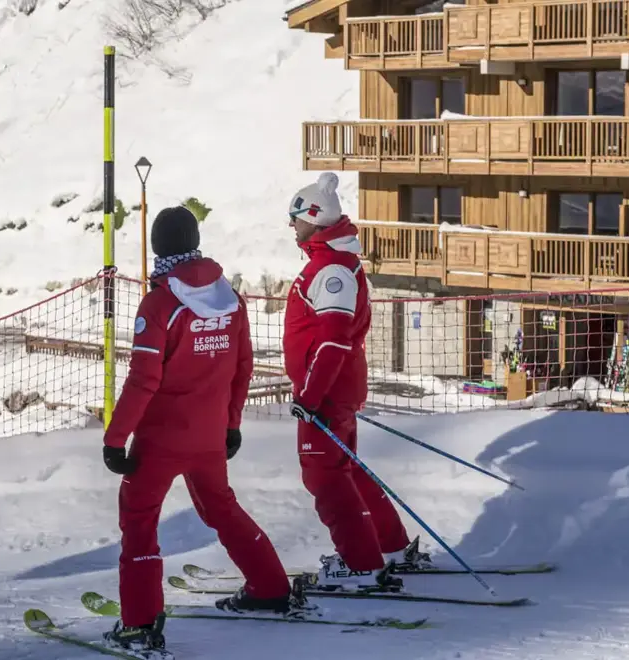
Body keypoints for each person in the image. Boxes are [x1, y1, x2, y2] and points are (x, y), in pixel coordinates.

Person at [101, 206, 300, 654]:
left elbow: (143, 380)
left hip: (161, 440)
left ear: (157, 247)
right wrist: (231, 424)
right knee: (220, 508)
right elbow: (242, 369)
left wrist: (116, 439)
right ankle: (269, 585)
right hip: (209, 435)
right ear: (194, 242)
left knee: (139, 521)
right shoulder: (229, 298)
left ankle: (140, 623)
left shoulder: (159, 305)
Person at [283, 172, 431, 592]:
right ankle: (389, 548)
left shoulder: (332, 272)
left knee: (324, 477)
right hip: (332, 391)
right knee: (344, 469)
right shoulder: (330, 263)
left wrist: (310, 397)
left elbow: (332, 342)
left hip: (326, 394)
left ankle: (361, 563)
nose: (291, 224)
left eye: (296, 216)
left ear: (315, 217)